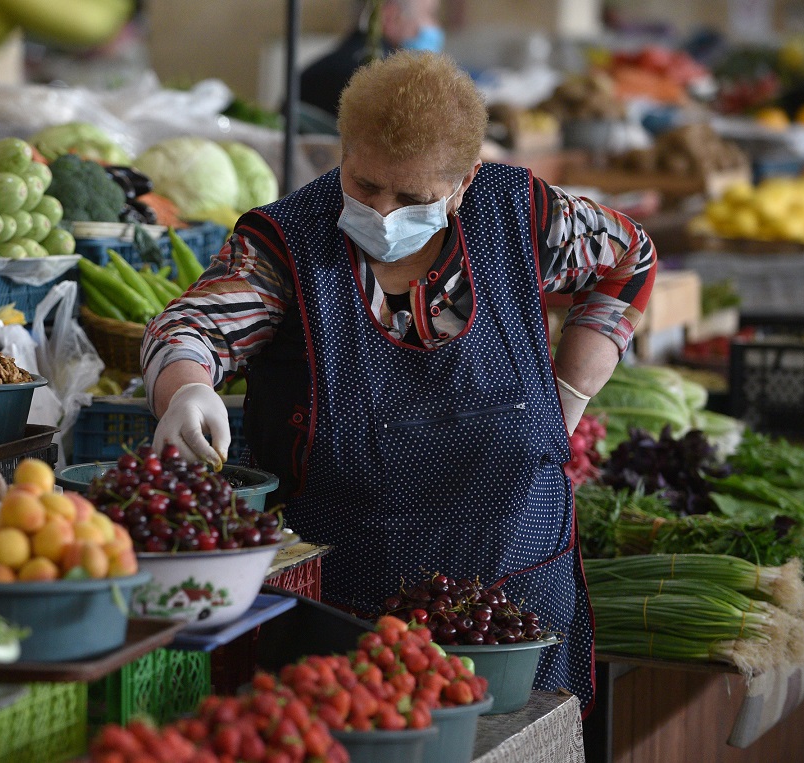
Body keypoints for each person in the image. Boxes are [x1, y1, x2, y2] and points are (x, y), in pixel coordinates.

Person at [141, 51, 656, 715]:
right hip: (354, 621)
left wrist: (572, 388)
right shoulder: (288, 244)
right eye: (365, 184)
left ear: (466, 178)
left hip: (523, 597)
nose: (382, 212)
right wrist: (185, 387)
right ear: (345, 150)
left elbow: (628, 256)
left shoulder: (520, 215)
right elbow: (189, 330)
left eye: (412, 198)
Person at [299, 0, 444, 119]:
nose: (434, 26)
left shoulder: (313, 73)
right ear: (391, 17)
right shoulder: (392, 85)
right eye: (430, 14)